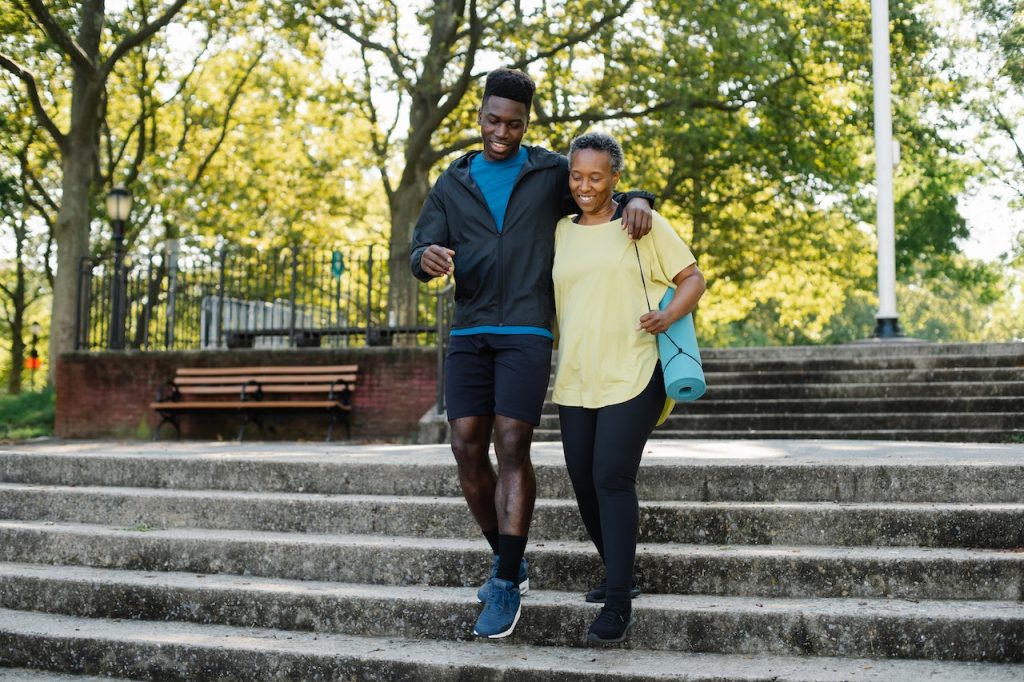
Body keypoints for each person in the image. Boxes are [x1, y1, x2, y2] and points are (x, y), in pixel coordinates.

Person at [410, 68, 655, 639]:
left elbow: (600, 190)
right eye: (493, 120)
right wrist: (425, 259)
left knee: (511, 440)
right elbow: (420, 245)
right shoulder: (454, 180)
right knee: (465, 445)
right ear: (480, 117)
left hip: (526, 329)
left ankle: (500, 578)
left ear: (527, 123)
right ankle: (511, 562)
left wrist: (639, 196)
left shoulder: (546, 172)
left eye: (514, 124)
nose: (502, 132)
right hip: (470, 331)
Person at [552, 131, 705, 644]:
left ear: (616, 178)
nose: (585, 186)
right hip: (576, 375)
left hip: (636, 369)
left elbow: (692, 278)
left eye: (597, 177)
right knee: (582, 480)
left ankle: (617, 599)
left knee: (611, 477)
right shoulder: (558, 230)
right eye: (577, 176)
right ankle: (621, 571)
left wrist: (668, 314)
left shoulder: (641, 223)